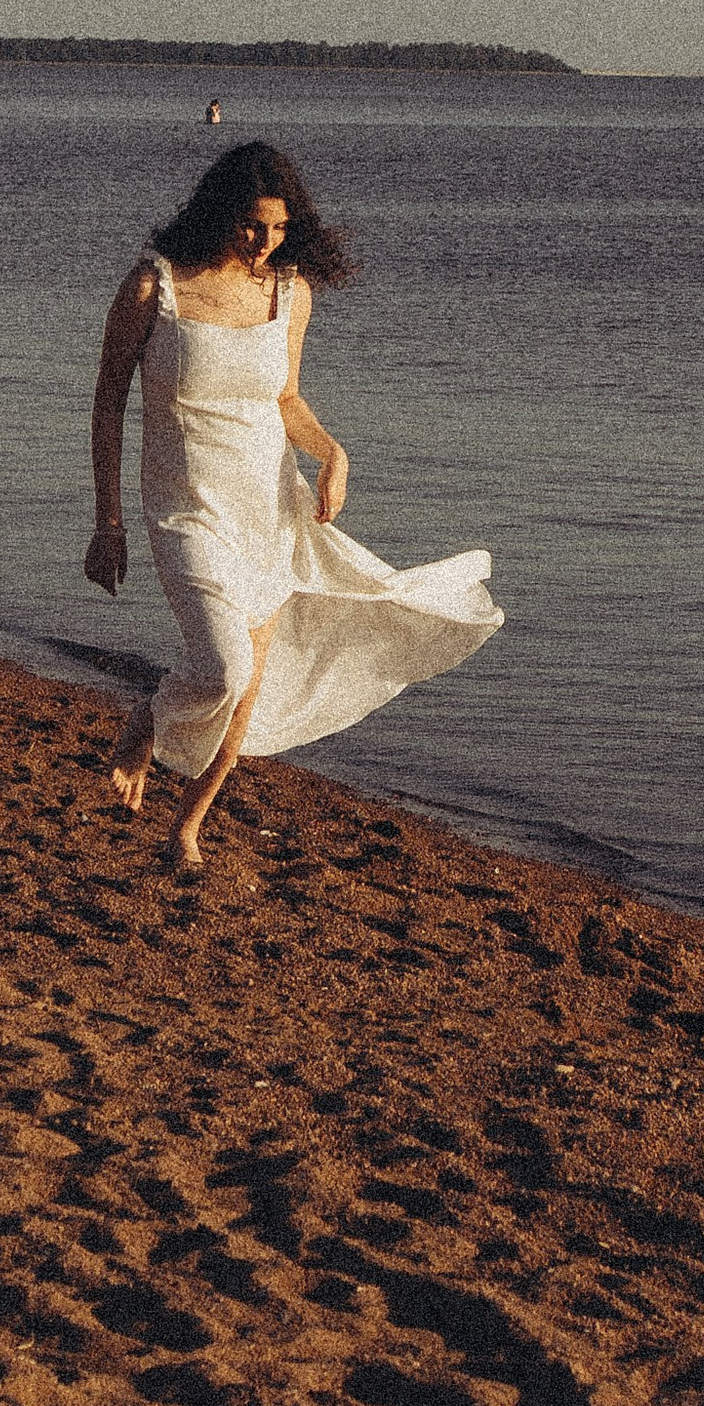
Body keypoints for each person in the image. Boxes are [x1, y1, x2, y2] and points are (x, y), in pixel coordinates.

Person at [85, 141, 501, 867]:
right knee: (222, 668)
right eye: (252, 225)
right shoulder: (156, 287)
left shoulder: (288, 291)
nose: (265, 242)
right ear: (218, 211)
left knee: (244, 698)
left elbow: (286, 400)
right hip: (187, 511)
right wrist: (108, 522)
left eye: (278, 228)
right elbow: (108, 403)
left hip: (270, 508)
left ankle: (186, 830)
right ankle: (149, 718)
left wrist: (332, 452)